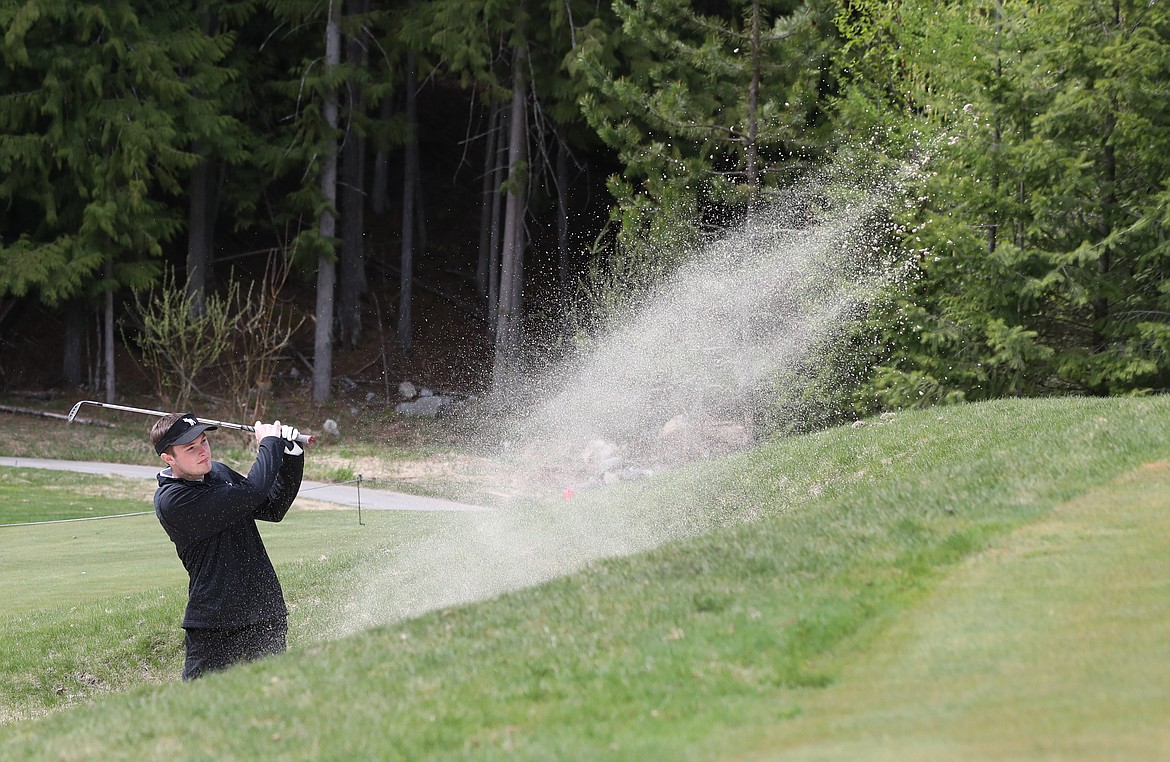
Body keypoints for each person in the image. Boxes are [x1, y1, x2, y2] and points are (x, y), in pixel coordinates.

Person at [150, 411, 305, 680]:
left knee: (272, 701)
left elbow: (272, 507)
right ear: (168, 458)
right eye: (190, 448)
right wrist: (270, 443)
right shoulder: (173, 500)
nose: (202, 452)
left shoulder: (218, 472)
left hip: (264, 611)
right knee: (203, 712)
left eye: (203, 442)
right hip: (215, 625)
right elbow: (253, 491)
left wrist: (291, 456)